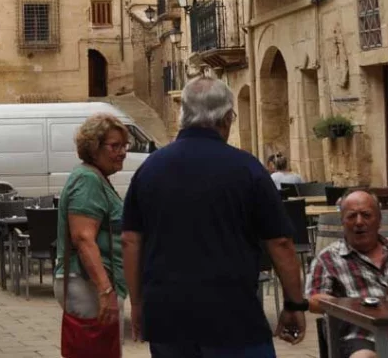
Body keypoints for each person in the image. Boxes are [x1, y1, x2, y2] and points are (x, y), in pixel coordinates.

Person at [122, 76, 308, 357]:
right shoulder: (248, 169)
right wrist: (294, 305)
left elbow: (130, 241)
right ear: (227, 118)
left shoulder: (149, 169)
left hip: (168, 317)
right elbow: (280, 243)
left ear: (183, 114)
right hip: (233, 316)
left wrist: (137, 304)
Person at [54, 113, 128, 352]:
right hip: (88, 285)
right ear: (94, 148)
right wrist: (105, 290)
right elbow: (83, 238)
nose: (122, 152)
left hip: (92, 284)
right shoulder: (88, 180)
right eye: (114, 146)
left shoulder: (97, 177)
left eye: (124, 145)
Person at [307, 190, 388, 358]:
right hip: (358, 334)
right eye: (352, 216)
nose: (359, 222)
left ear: (379, 220)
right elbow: (313, 301)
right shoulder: (328, 258)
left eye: (366, 215)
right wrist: (346, 304)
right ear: (342, 222)